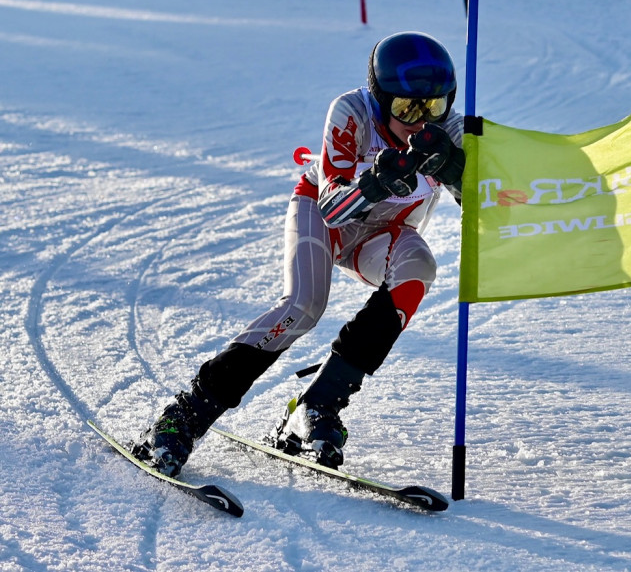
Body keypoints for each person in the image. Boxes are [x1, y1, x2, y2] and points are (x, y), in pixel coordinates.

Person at [133, 31, 465, 477]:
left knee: (418, 268)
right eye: (406, 107)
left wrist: (461, 173)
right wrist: (377, 183)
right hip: (323, 214)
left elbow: (497, 201)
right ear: (381, 97)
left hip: (383, 234)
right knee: (304, 306)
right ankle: (187, 413)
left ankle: (317, 406)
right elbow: (331, 206)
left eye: (434, 106)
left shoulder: (451, 131)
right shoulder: (352, 112)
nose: (420, 120)